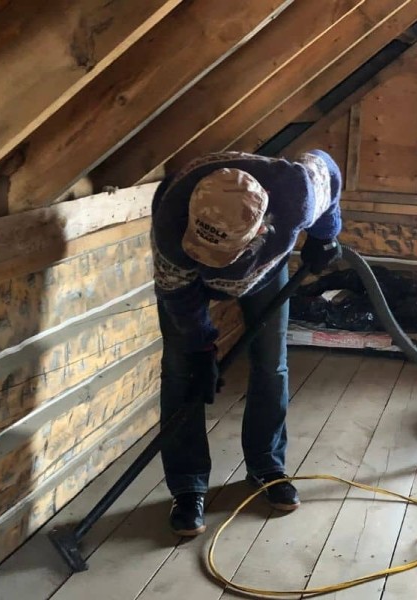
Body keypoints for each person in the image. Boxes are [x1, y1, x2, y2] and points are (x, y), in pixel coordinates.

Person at [150, 149, 343, 536]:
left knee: (271, 362)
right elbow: (179, 298)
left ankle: (266, 465)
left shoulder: (296, 191)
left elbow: (330, 175)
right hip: (188, 278)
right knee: (180, 372)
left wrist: (325, 235)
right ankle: (187, 485)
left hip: (264, 270)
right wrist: (202, 347)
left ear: (261, 228)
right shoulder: (172, 224)